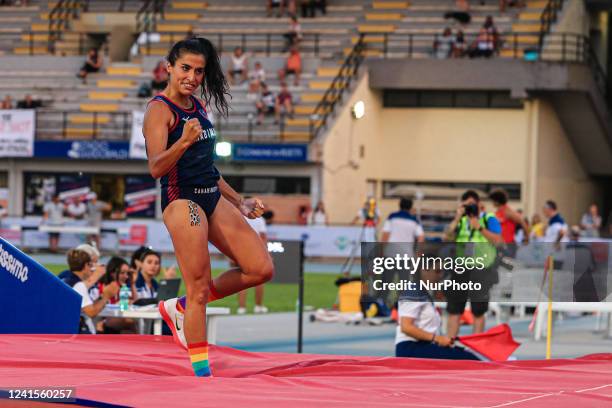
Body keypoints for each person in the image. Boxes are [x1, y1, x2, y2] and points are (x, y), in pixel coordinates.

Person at [143, 37, 273, 377]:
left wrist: (240, 201)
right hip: (182, 199)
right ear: (169, 67)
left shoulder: (197, 105)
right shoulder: (159, 109)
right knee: (199, 285)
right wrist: (183, 140)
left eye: (199, 71)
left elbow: (209, 170)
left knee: (261, 269)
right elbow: (156, 166)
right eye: (185, 68)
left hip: (210, 195)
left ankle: (180, 309)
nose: (192, 76)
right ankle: (201, 375)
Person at [445, 190, 502, 338]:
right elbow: (447, 237)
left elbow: (497, 240)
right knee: (454, 309)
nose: (470, 208)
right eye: (467, 205)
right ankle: (448, 346)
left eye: (472, 204)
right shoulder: (461, 221)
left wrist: (479, 227)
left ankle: (476, 346)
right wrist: (457, 217)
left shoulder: (489, 218)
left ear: (479, 204)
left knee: (478, 310)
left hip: (481, 269)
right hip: (461, 268)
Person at [395, 261, 479, 360]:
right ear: (424, 271)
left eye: (441, 272)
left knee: (468, 355)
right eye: (437, 271)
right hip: (411, 347)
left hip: (423, 345)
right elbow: (406, 327)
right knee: (470, 359)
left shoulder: (423, 292)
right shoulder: (414, 292)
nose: (440, 276)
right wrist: (436, 338)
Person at [61, 249, 119, 334]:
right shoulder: (79, 285)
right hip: (80, 333)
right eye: (91, 264)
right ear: (85, 265)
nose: (93, 268)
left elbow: (87, 307)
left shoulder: (66, 280)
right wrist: (106, 295)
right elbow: (91, 312)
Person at [236, 203, 269, 314]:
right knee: (260, 279)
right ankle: (258, 306)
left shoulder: (239, 217)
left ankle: (242, 308)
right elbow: (263, 237)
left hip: (241, 250)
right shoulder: (259, 219)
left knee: (242, 279)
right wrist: (266, 253)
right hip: (256, 250)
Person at [96, 256, 137, 333]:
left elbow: (135, 301)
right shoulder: (102, 286)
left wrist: (132, 283)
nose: (126, 276)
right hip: (103, 320)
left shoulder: (123, 286)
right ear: (112, 273)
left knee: (133, 323)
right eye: (122, 273)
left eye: (127, 273)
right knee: (131, 323)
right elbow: (98, 307)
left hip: (117, 318)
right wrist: (118, 303)